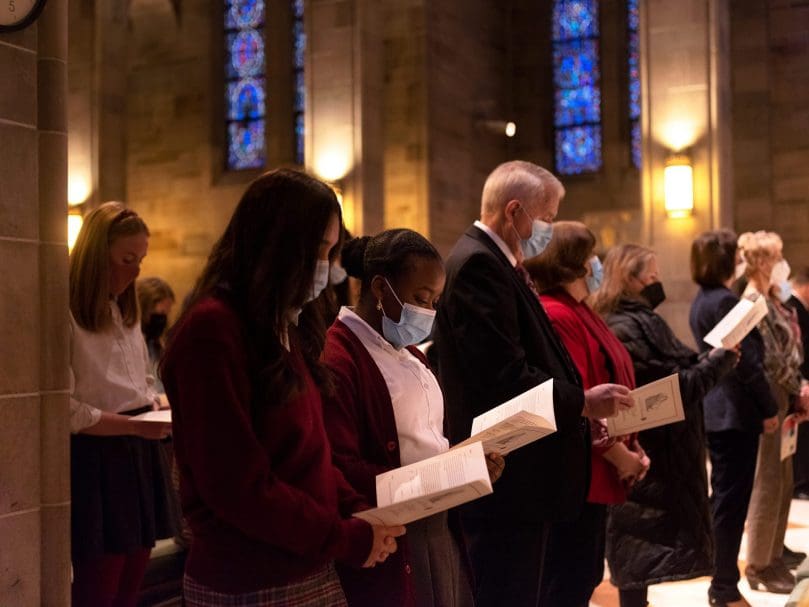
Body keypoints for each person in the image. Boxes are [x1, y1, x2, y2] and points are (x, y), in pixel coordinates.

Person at [160, 168, 404, 606]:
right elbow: (238, 486)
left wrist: (356, 509)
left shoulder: (280, 325)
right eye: (318, 250)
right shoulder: (213, 332)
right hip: (251, 578)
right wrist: (345, 537)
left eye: (331, 252)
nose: (327, 270)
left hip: (303, 561)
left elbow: (306, 454)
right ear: (276, 245)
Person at [433, 160, 634, 607]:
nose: (547, 228)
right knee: (508, 591)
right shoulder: (478, 267)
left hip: (524, 477)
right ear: (514, 211)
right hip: (507, 478)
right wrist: (581, 401)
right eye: (545, 217)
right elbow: (502, 375)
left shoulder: (497, 263)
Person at [322, 228, 505, 607]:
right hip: (393, 531)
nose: (429, 312)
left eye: (436, 301)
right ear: (379, 288)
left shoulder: (412, 354)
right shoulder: (339, 356)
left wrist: (467, 465)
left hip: (438, 523)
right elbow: (340, 463)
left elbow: (427, 438)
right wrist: (426, 482)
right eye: (421, 298)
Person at [589, 240, 738, 607]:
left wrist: (709, 361)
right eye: (652, 275)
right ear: (631, 278)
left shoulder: (638, 319)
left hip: (662, 452)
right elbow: (670, 387)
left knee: (641, 552)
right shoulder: (625, 324)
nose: (658, 282)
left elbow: (676, 369)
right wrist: (717, 363)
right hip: (648, 451)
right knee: (636, 549)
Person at [524, 222, 648, 607]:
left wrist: (634, 443)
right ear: (574, 262)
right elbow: (581, 399)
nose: (597, 263)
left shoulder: (581, 309)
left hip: (601, 463)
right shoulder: (556, 314)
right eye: (591, 255)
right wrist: (619, 453)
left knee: (584, 575)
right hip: (582, 468)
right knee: (568, 580)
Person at [69, 201, 176, 607]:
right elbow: (67, 409)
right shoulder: (67, 311)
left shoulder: (125, 310)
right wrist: (134, 424)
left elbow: (138, 381)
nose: (136, 272)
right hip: (99, 454)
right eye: (127, 259)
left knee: (134, 576)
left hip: (138, 450)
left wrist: (156, 403)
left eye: (141, 260)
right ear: (97, 256)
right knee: (100, 585)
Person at [689, 229, 780, 607]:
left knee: (724, 500)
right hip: (735, 412)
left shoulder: (702, 300)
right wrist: (769, 408)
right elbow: (747, 364)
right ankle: (723, 585)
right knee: (730, 503)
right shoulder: (726, 301)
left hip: (716, 408)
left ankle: (722, 579)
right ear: (729, 262)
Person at [736, 231, 808, 594]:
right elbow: (761, 355)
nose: (783, 263)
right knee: (767, 482)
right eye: (777, 256)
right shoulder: (750, 300)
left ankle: (775, 555)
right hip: (768, 395)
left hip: (785, 392)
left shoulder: (773, 297)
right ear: (763, 262)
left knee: (783, 480)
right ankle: (760, 563)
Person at [787, 267, 809, 500]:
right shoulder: (794, 307)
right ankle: (801, 482)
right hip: (800, 381)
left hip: (801, 380)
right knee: (801, 435)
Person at [137, 276, 176, 394]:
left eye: (166, 314)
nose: (163, 320)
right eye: (160, 313)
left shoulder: (157, 344)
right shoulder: (132, 343)